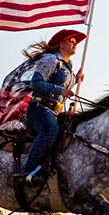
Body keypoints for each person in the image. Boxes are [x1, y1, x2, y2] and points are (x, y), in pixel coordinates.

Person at [18, 29, 86, 183]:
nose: (75, 44)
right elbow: (36, 83)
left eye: (75, 42)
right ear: (61, 44)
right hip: (39, 108)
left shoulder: (68, 65)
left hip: (55, 111)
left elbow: (60, 87)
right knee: (51, 130)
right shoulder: (51, 60)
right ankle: (26, 172)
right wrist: (60, 89)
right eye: (71, 41)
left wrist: (75, 80)